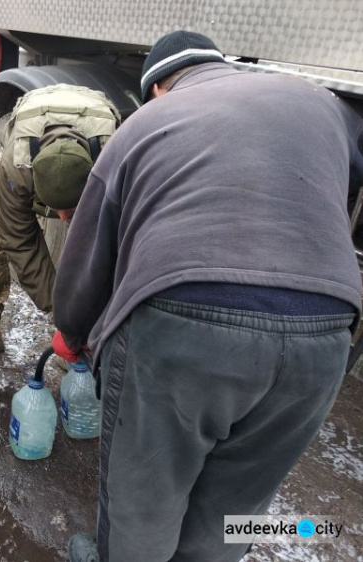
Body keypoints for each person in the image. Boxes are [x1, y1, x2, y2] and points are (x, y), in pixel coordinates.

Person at [52, 30, 363, 562]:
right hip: (327, 329)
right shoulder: (320, 104)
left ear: (157, 88)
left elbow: (88, 254)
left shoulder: (144, 125)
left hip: (183, 322)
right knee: (239, 504)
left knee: (143, 499)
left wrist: (73, 330)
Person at [0, 84, 121, 366]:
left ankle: (88, 336)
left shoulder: (113, 162)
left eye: (70, 210)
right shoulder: (17, 166)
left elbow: (111, 247)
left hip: (90, 145)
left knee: (95, 248)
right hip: (30, 139)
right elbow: (19, 239)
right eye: (56, 209)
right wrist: (60, 312)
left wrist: (80, 322)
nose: (62, 218)